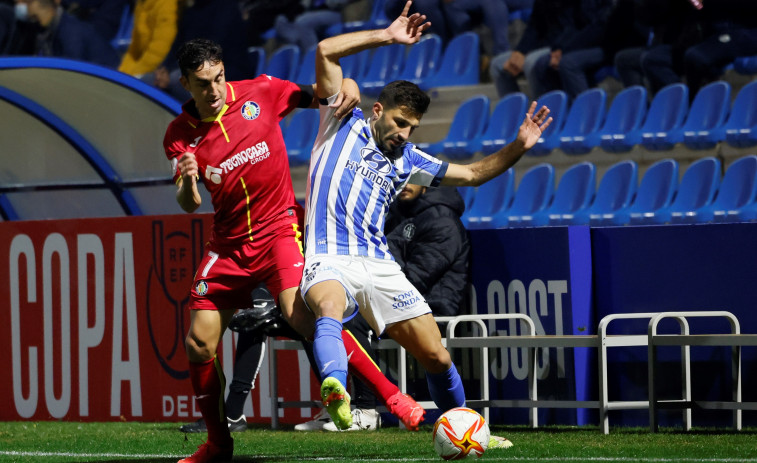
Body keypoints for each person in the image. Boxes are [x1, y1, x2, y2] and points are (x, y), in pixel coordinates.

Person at [301, 0, 550, 443]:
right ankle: (336, 389)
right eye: (399, 123)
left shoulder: (409, 159)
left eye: (412, 128)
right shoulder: (340, 120)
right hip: (329, 255)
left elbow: (472, 174)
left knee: (436, 356)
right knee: (329, 308)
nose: (404, 134)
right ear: (378, 111)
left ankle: (470, 429)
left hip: (379, 264)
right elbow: (326, 51)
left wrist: (519, 146)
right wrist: (386, 35)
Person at [163, 38, 423, 462]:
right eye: (202, 84)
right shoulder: (178, 135)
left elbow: (320, 94)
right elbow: (188, 202)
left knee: (303, 316)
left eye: (219, 78)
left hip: (278, 232)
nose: (214, 90)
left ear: (225, 70)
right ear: (185, 83)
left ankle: (394, 398)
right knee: (198, 343)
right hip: (228, 245)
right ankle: (218, 443)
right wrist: (188, 181)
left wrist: (348, 85)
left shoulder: (260, 92)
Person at [385, 185, 470, 317]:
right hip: (399, 310)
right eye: (404, 176)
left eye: (413, 177)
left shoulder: (442, 222)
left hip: (430, 315)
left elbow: (416, 279)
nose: (406, 183)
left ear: (425, 180)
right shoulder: (396, 213)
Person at [15, 0, 119, 67]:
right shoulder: (48, 29)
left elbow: (72, 71)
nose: (21, 5)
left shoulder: (71, 32)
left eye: (28, 2)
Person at [118, 0, 179, 77]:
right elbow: (134, 49)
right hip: (141, 64)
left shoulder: (167, 4)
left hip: (158, 69)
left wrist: (133, 73)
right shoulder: (141, 3)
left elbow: (159, 49)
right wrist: (124, 70)